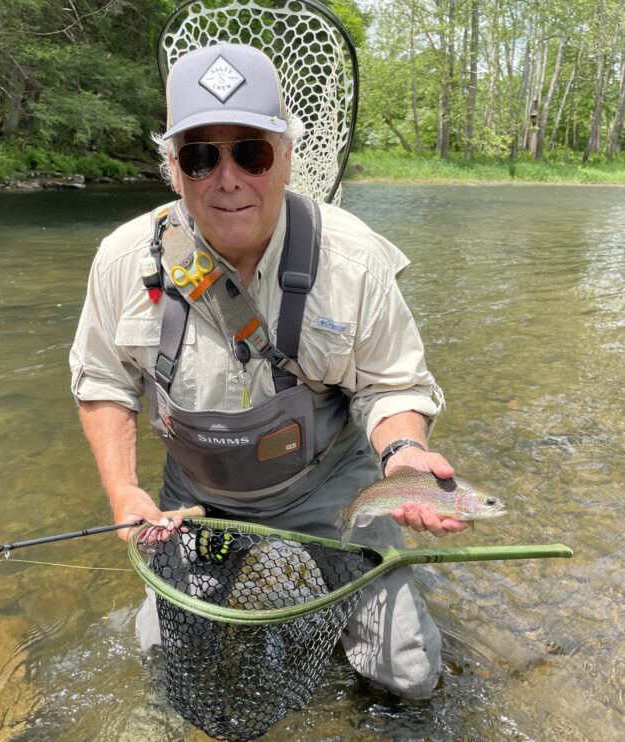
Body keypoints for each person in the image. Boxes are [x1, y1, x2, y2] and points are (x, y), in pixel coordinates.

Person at [70, 41, 467, 699]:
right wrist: (124, 494)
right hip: (196, 497)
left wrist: (403, 451)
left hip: (330, 486)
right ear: (173, 168)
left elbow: (392, 384)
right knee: (170, 660)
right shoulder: (122, 262)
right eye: (200, 156)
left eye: (250, 152)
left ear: (287, 156)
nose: (227, 178)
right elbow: (103, 382)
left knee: (407, 672)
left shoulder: (353, 260)